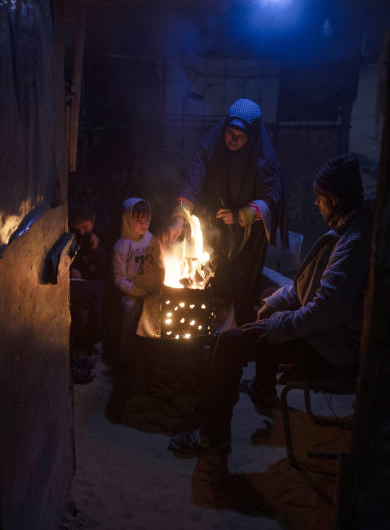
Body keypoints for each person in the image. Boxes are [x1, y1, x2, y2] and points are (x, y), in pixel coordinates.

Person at [168, 153, 370, 456]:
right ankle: (262, 387)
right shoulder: (348, 228)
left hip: (332, 348)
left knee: (230, 342)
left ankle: (213, 436)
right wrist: (276, 303)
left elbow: (325, 310)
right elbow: (309, 288)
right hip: (325, 333)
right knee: (266, 297)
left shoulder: (352, 243)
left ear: (337, 199)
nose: (317, 203)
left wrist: (274, 326)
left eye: (321, 197)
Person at [162, 98, 287, 325]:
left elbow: (272, 200)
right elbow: (194, 180)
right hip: (215, 221)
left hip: (248, 233)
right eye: (230, 132)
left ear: (251, 135)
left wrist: (241, 215)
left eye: (241, 135)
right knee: (211, 275)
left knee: (240, 284)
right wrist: (180, 217)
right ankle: (206, 326)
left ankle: (238, 334)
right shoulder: (211, 146)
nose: (234, 139)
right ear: (224, 128)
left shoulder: (264, 159)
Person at [112, 198, 164, 361]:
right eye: (138, 221)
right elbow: (119, 278)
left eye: (146, 220)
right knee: (131, 308)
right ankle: (125, 351)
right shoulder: (122, 245)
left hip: (153, 290)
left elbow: (161, 264)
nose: (143, 225)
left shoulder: (152, 239)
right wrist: (136, 291)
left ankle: (156, 351)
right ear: (128, 220)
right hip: (132, 292)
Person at [68, 204, 108, 384]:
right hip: (75, 285)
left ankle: (91, 348)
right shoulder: (70, 238)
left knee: (95, 294)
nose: (82, 231)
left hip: (91, 284)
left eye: (85, 227)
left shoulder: (97, 238)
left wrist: (94, 251)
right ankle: (82, 355)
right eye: (78, 228)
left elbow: (101, 269)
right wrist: (74, 270)